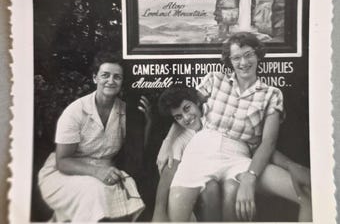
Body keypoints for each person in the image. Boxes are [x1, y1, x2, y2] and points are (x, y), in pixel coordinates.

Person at [161, 32, 312, 222]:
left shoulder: (271, 94)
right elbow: (184, 111)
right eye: (236, 57)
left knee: (305, 194)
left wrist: (250, 176)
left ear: (258, 55)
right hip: (201, 150)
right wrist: (168, 141)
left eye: (248, 54)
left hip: (240, 157)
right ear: (229, 61)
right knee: (176, 217)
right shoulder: (215, 79)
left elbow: (267, 143)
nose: (243, 62)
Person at [38, 51, 146, 222]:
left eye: (117, 77)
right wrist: (97, 172)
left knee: (128, 189)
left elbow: (137, 152)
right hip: (64, 173)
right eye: (105, 75)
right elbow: (63, 161)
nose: (111, 81)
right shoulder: (76, 111)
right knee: (94, 191)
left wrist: (148, 122)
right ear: (95, 78)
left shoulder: (125, 112)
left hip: (105, 172)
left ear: (122, 81)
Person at [152, 87, 221, 222]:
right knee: (210, 187)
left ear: (197, 102)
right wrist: (158, 212)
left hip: (226, 173)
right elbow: (169, 171)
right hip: (200, 187)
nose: (186, 118)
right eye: (178, 117)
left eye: (187, 108)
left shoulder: (214, 116)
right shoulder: (182, 137)